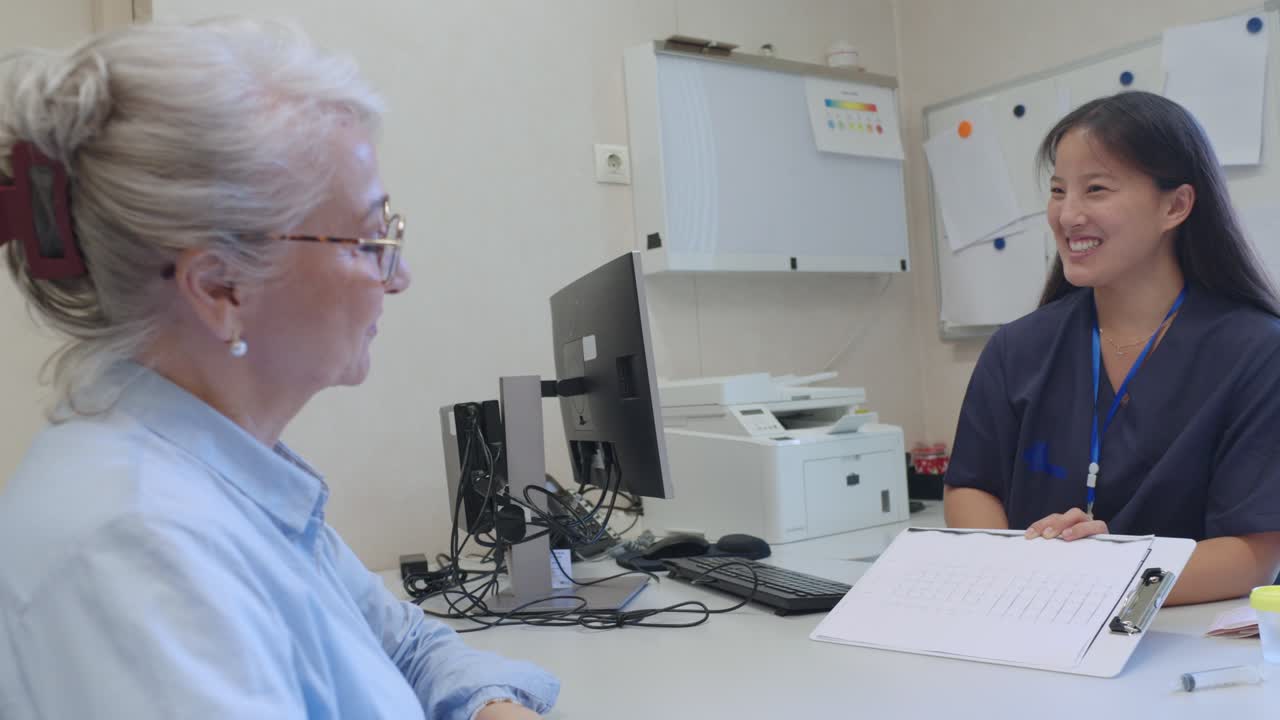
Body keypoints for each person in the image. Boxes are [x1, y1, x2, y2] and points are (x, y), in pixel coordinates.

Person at [0, 19, 557, 719]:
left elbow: (405, 645)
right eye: (370, 238)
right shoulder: (138, 553)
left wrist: (490, 705)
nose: (399, 275)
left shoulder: (228, 472)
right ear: (220, 289)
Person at [943, 91, 1280, 606]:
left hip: (1181, 647)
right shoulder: (1017, 348)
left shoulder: (1256, 352)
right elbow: (971, 487)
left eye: (1095, 189)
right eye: (1058, 191)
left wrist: (1104, 576)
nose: (1067, 215)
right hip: (1032, 624)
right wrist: (1018, 568)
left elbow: (1254, 555)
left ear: (1176, 205)